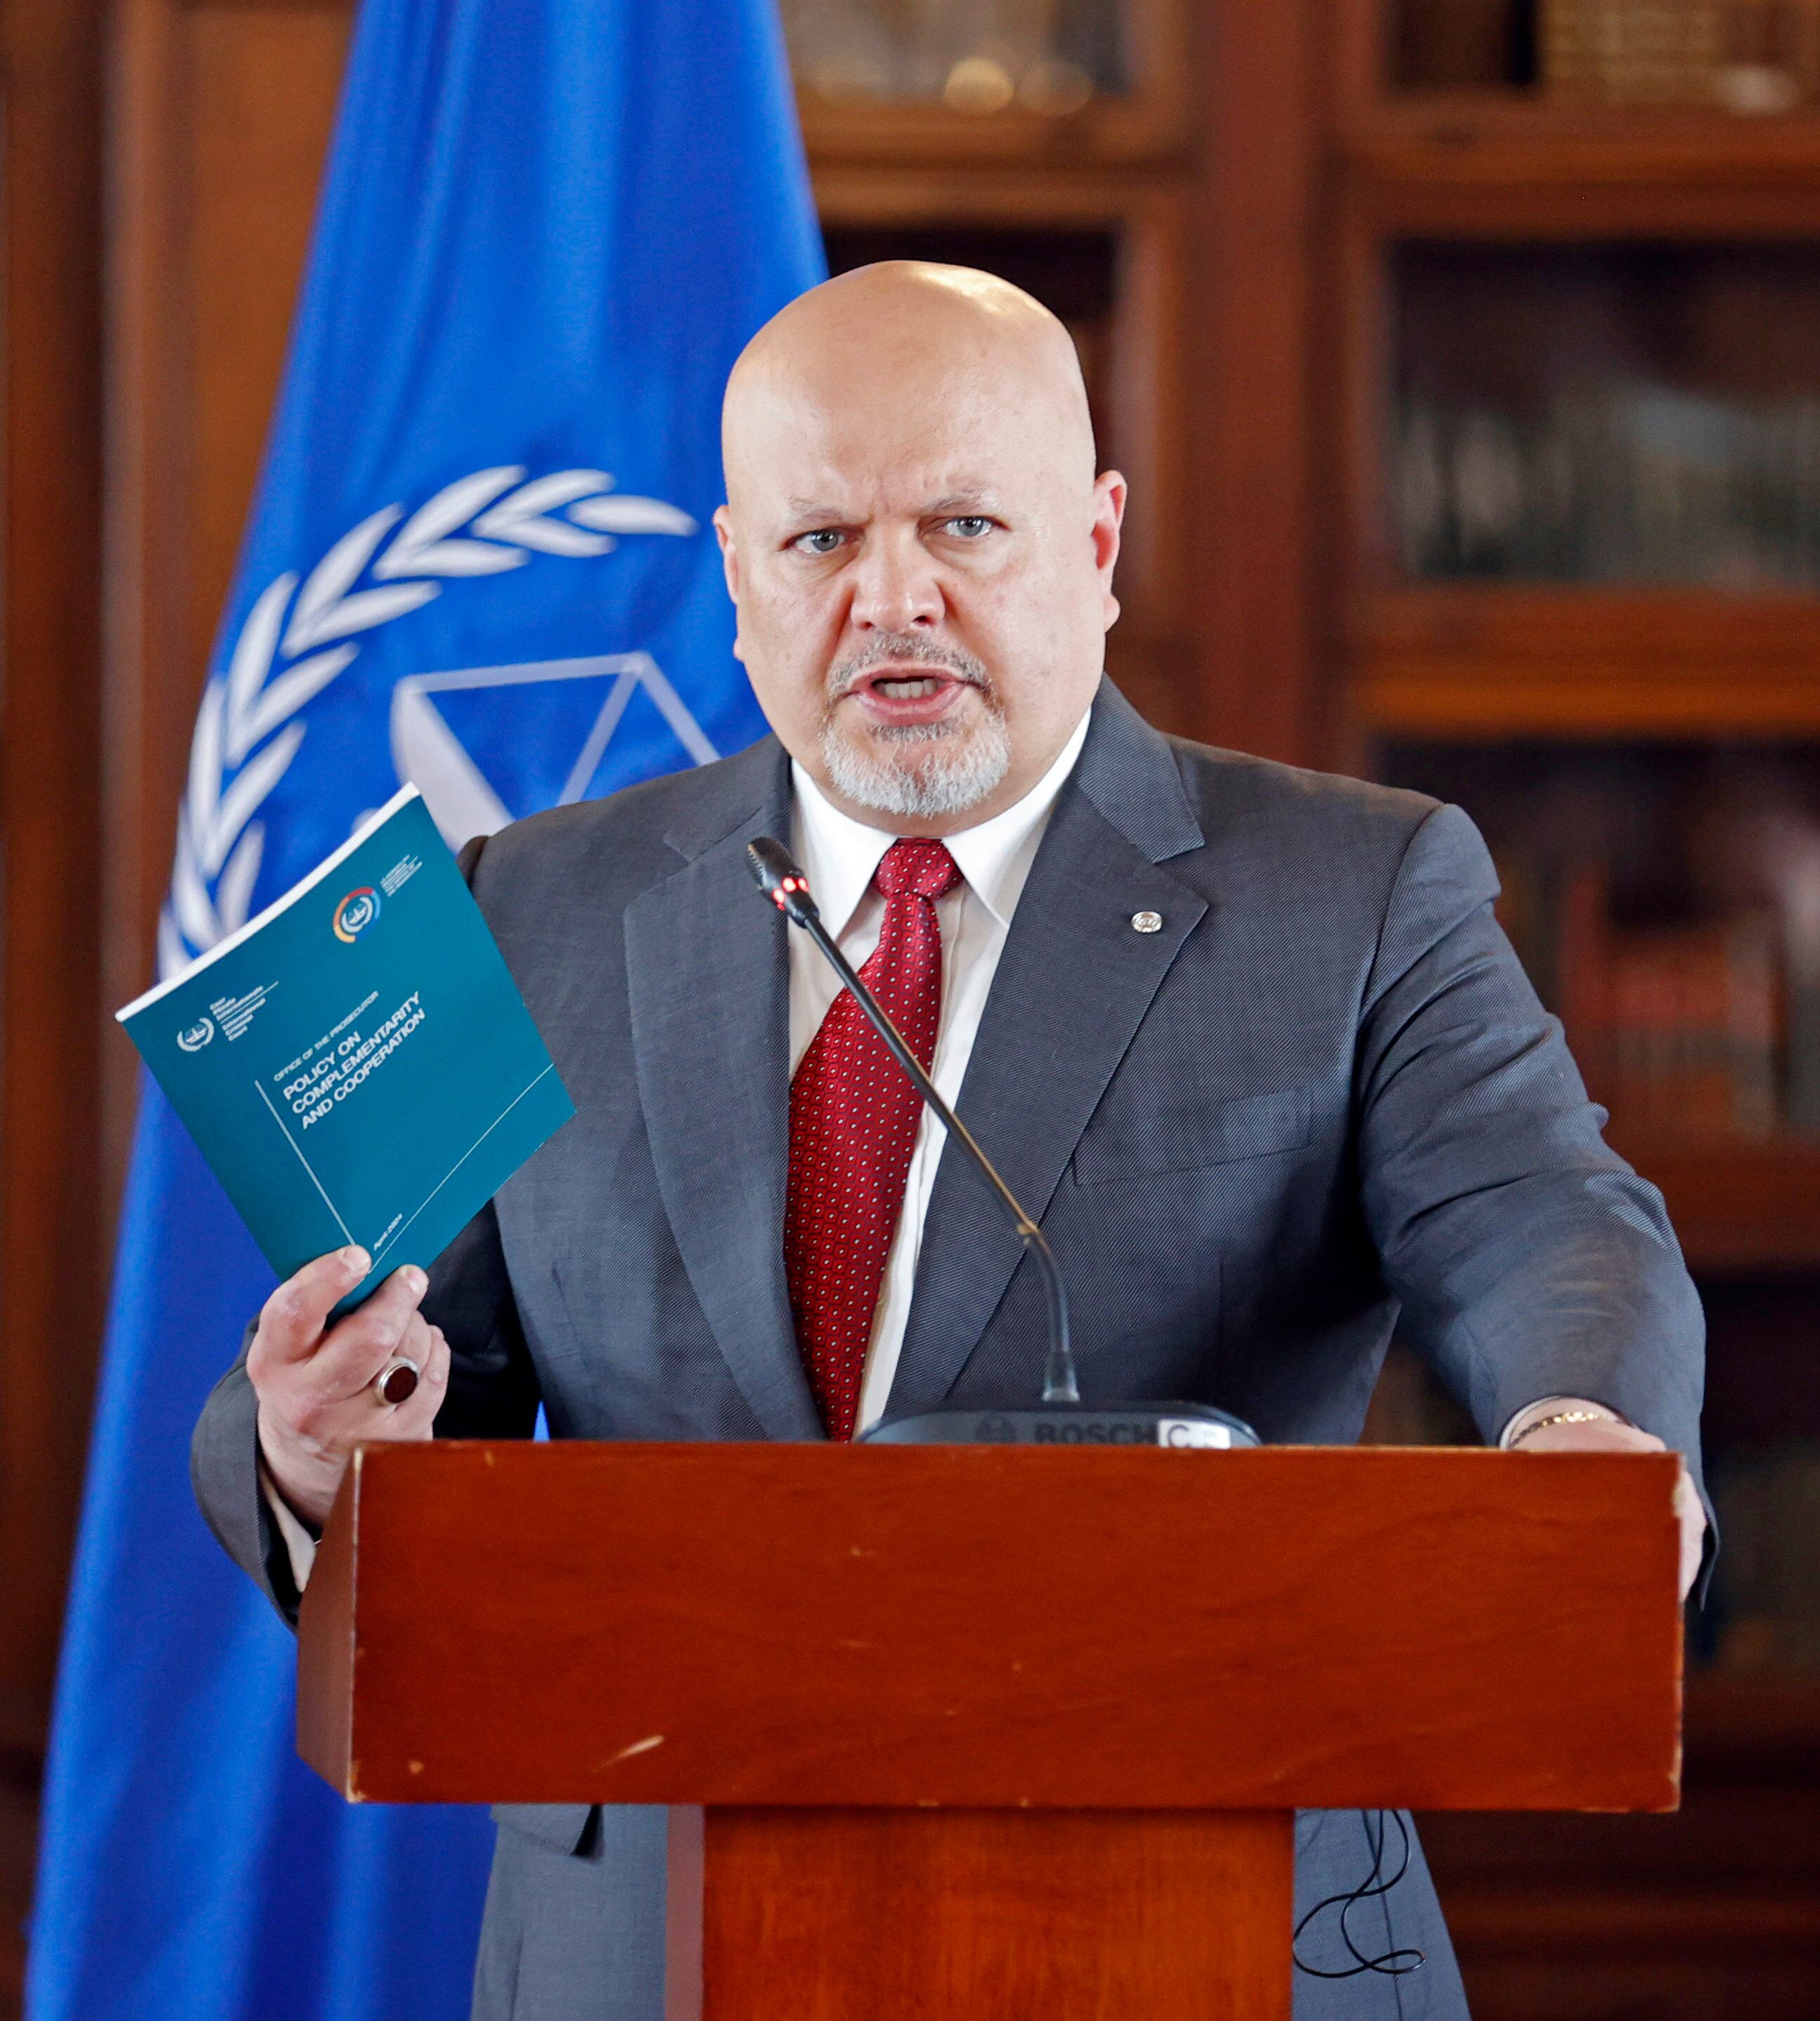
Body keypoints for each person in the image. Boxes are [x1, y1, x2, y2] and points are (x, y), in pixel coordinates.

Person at [193, 262, 1708, 2021]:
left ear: (1094, 540)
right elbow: (381, 1363)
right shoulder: (526, 903)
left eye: (963, 526)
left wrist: (1575, 1420)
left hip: (1199, 1912)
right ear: (738, 581)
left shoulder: (1355, 888)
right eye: (821, 541)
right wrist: (311, 1449)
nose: (890, 602)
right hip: (641, 1945)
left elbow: (1536, 1214)